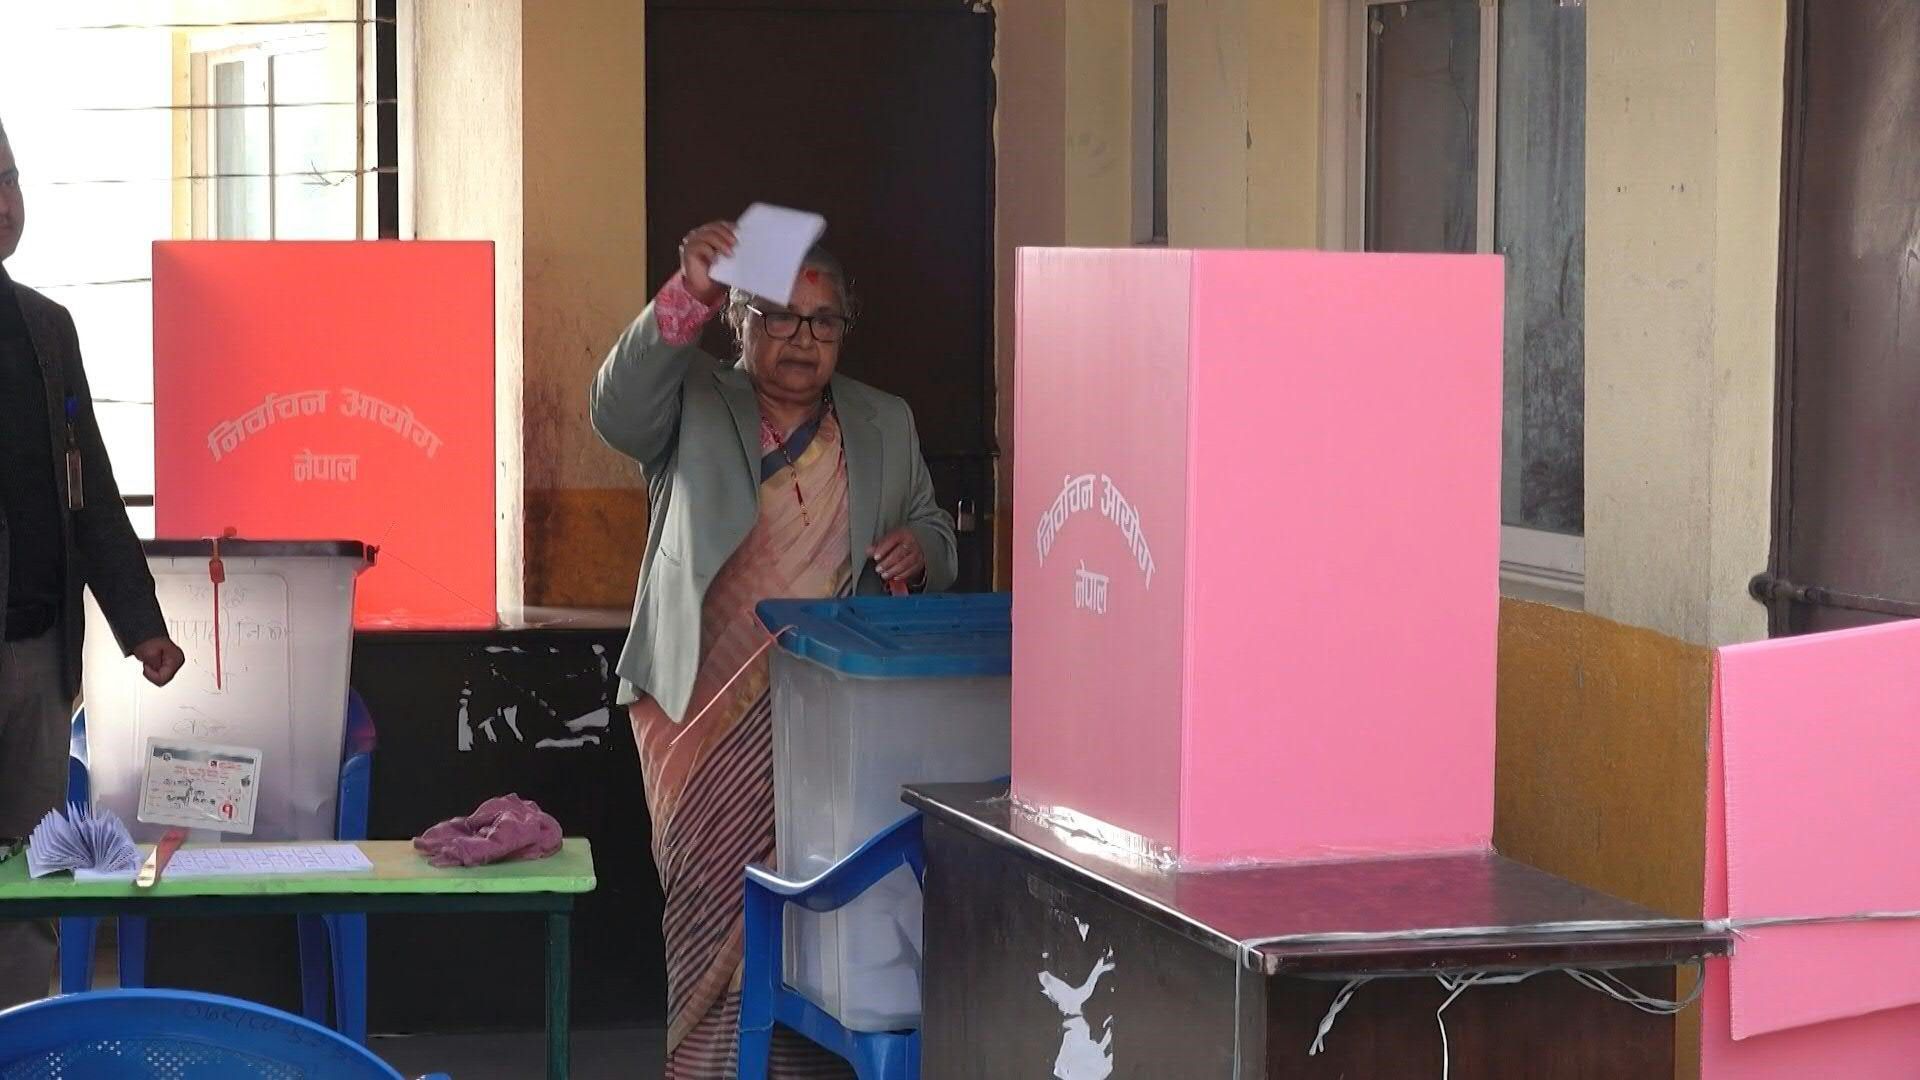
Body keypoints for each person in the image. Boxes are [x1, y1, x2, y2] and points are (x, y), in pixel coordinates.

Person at [592, 221, 956, 1076]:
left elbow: (935, 527)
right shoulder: (691, 400)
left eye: (823, 323)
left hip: (824, 715)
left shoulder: (882, 421)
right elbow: (612, 409)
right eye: (781, 318)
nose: (803, 340)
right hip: (695, 709)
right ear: (741, 322)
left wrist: (921, 549)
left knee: (812, 912)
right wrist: (687, 288)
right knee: (710, 907)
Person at [0, 117, 186, 1008]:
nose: (2, 203)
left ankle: (20, 1046)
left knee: (30, 884)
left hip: (36, 660)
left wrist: (140, 623)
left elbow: (93, 492)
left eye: (8, 178)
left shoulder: (46, 329)